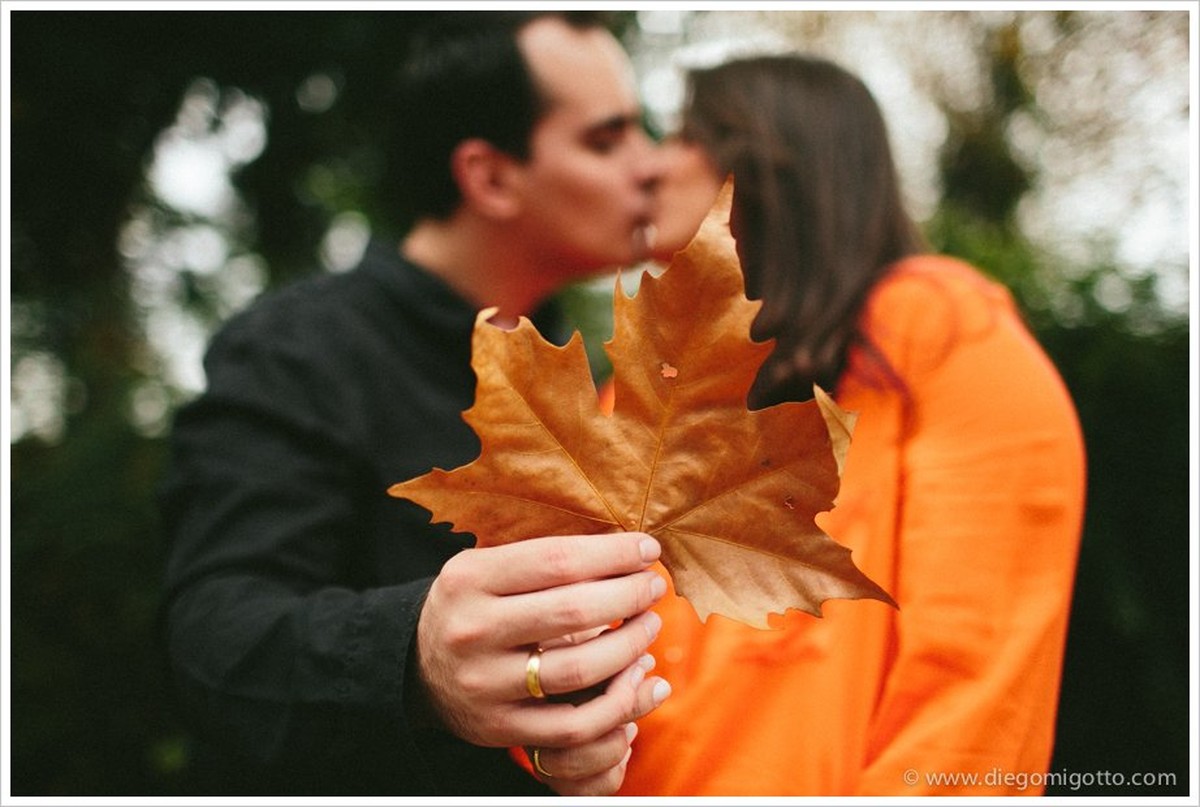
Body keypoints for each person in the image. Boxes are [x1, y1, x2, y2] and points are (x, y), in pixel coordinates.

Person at [159, 12, 672, 796]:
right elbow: (212, 638)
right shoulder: (297, 349)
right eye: (607, 141)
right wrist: (412, 658)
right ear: (491, 176)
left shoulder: (600, 382)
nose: (652, 166)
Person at [615, 54, 1086, 795]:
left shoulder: (940, 328)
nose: (648, 165)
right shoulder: (645, 386)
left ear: (771, 159)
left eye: (682, 134)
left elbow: (978, 681)